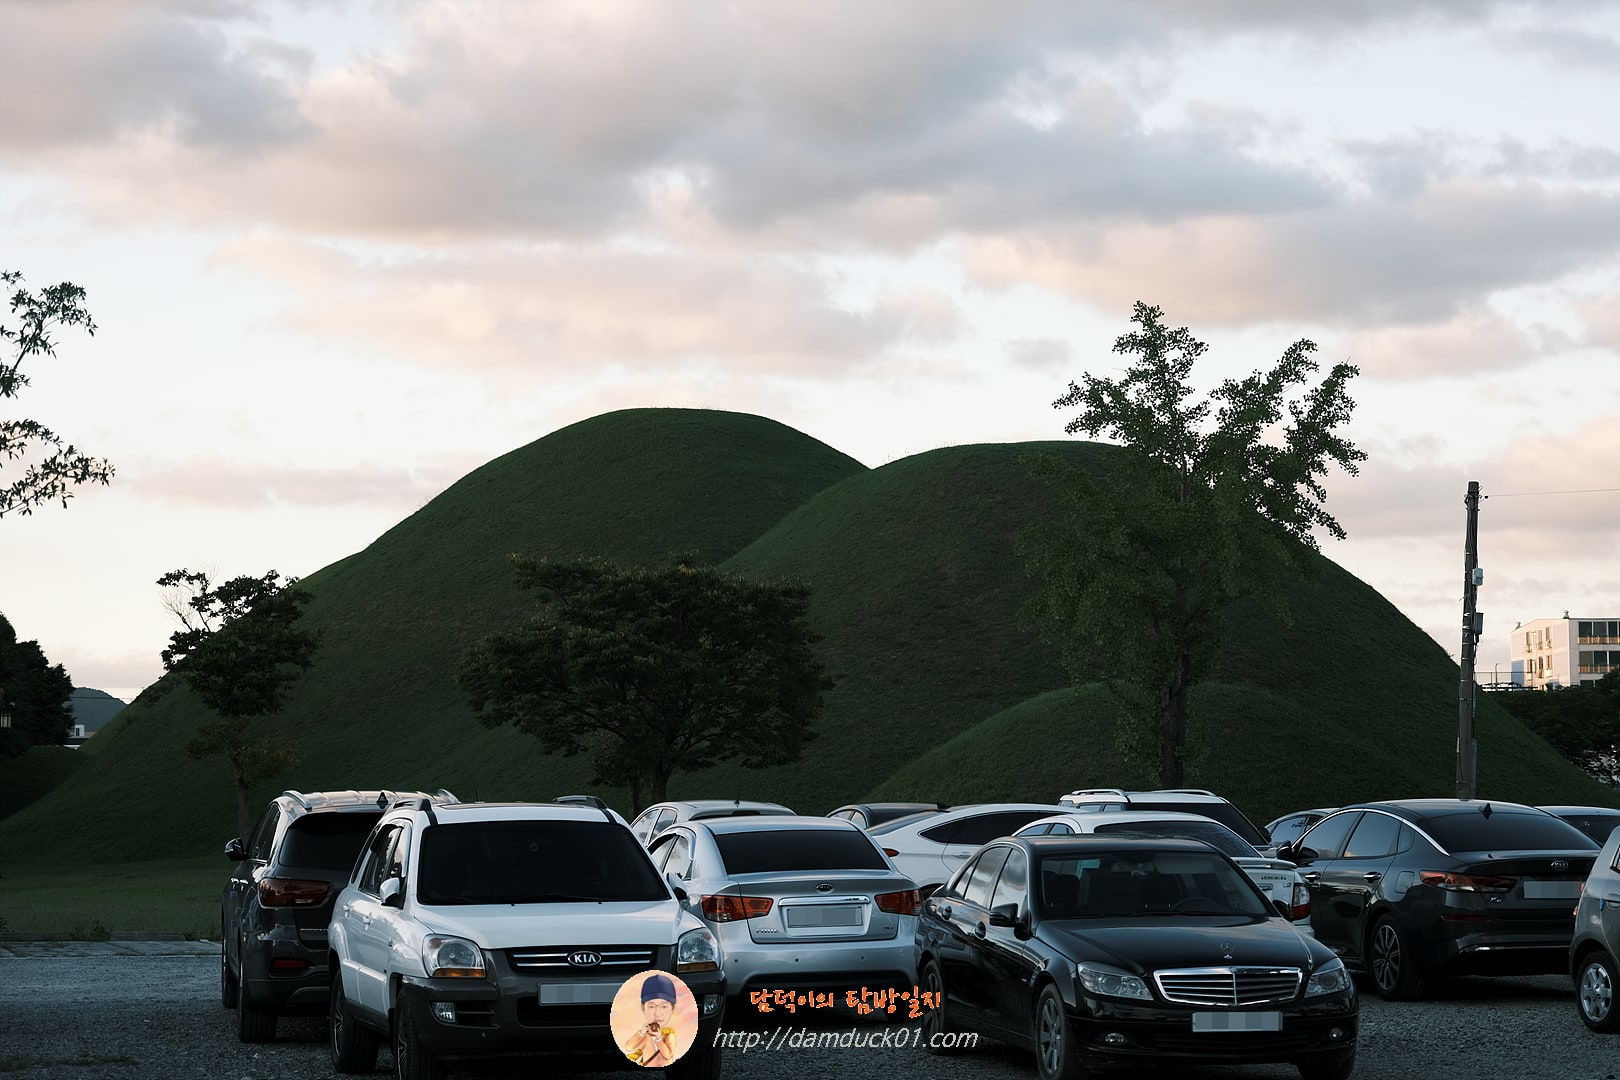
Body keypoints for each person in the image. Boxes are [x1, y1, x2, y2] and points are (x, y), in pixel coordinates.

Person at [624, 972, 679, 1068]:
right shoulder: (647, 1034)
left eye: (664, 1006)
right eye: (652, 1006)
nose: (657, 1013)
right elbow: (629, 1047)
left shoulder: (669, 1035)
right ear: (643, 1009)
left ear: (672, 1009)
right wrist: (641, 1033)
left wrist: (659, 1039)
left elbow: (668, 1055)